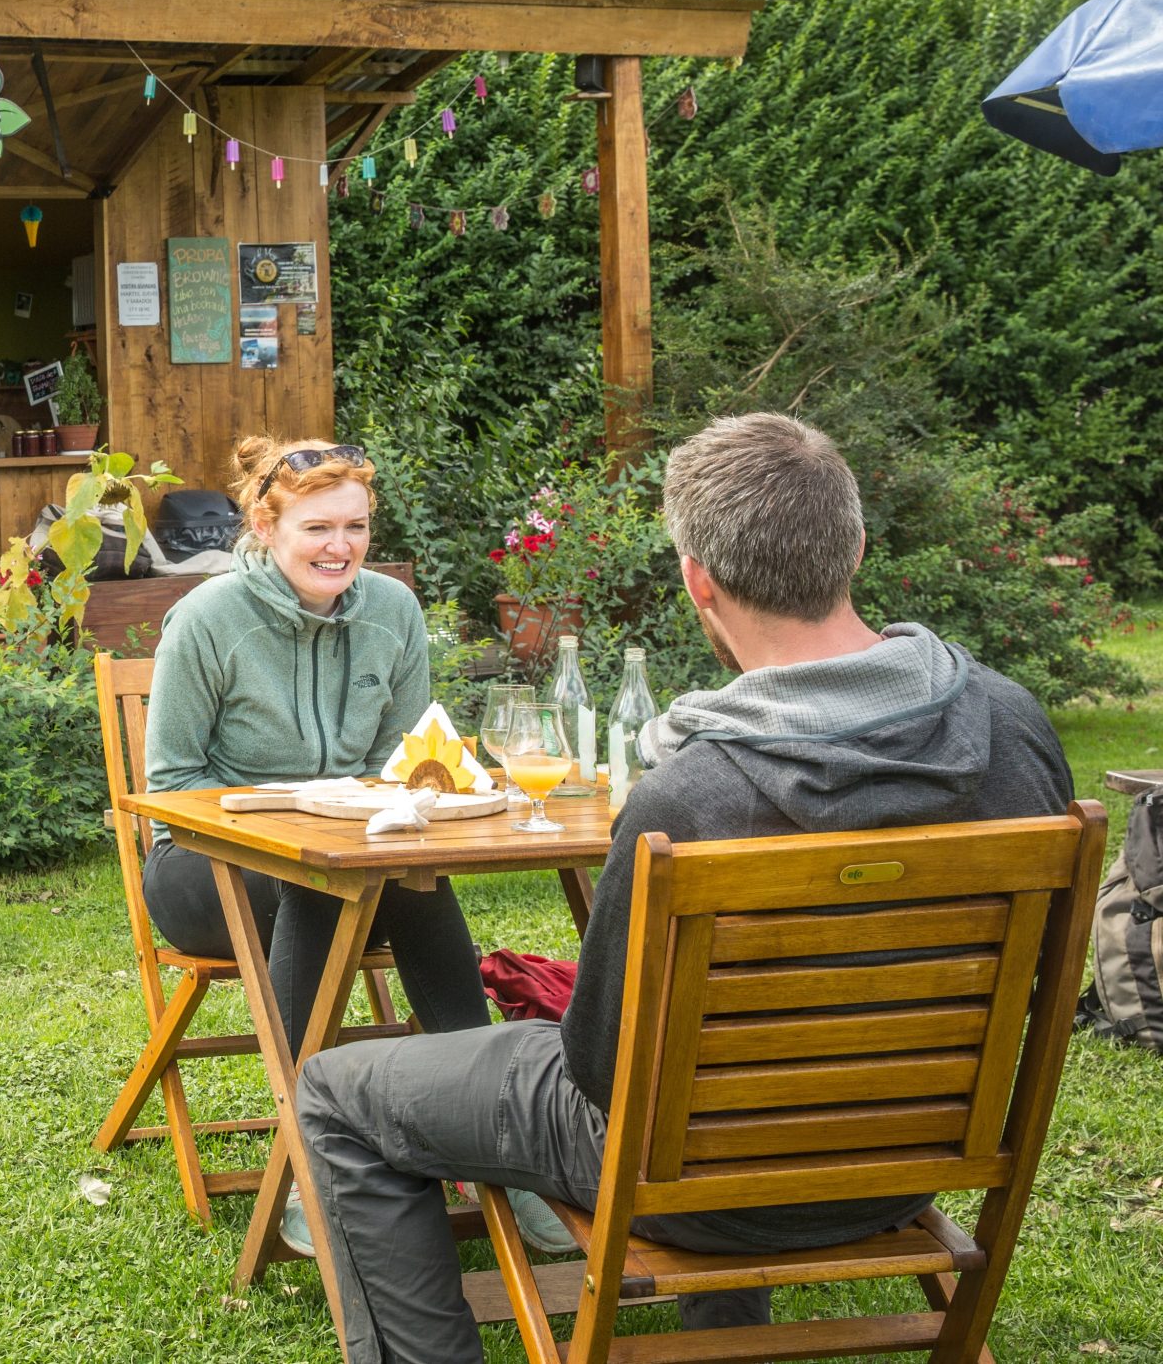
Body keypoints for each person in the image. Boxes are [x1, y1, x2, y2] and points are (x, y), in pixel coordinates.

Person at [292, 412, 1076, 1364]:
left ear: (697, 580)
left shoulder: (690, 796)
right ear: (855, 546)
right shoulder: (1011, 725)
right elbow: (1038, 989)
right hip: (909, 1162)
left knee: (337, 1088)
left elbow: (599, 1071)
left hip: (695, 1180)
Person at [142, 436, 497, 1257]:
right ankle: (314, 1162)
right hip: (207, 869)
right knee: (319, 880)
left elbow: (410, 760)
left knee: (414, 877)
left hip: (354, 862)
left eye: (357, 526)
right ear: (265, 528)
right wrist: (298, 830)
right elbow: (171, 788)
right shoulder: (206, 621)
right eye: (317, 528)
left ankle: (491, 1141)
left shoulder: (392, 612)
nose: (340, 546)